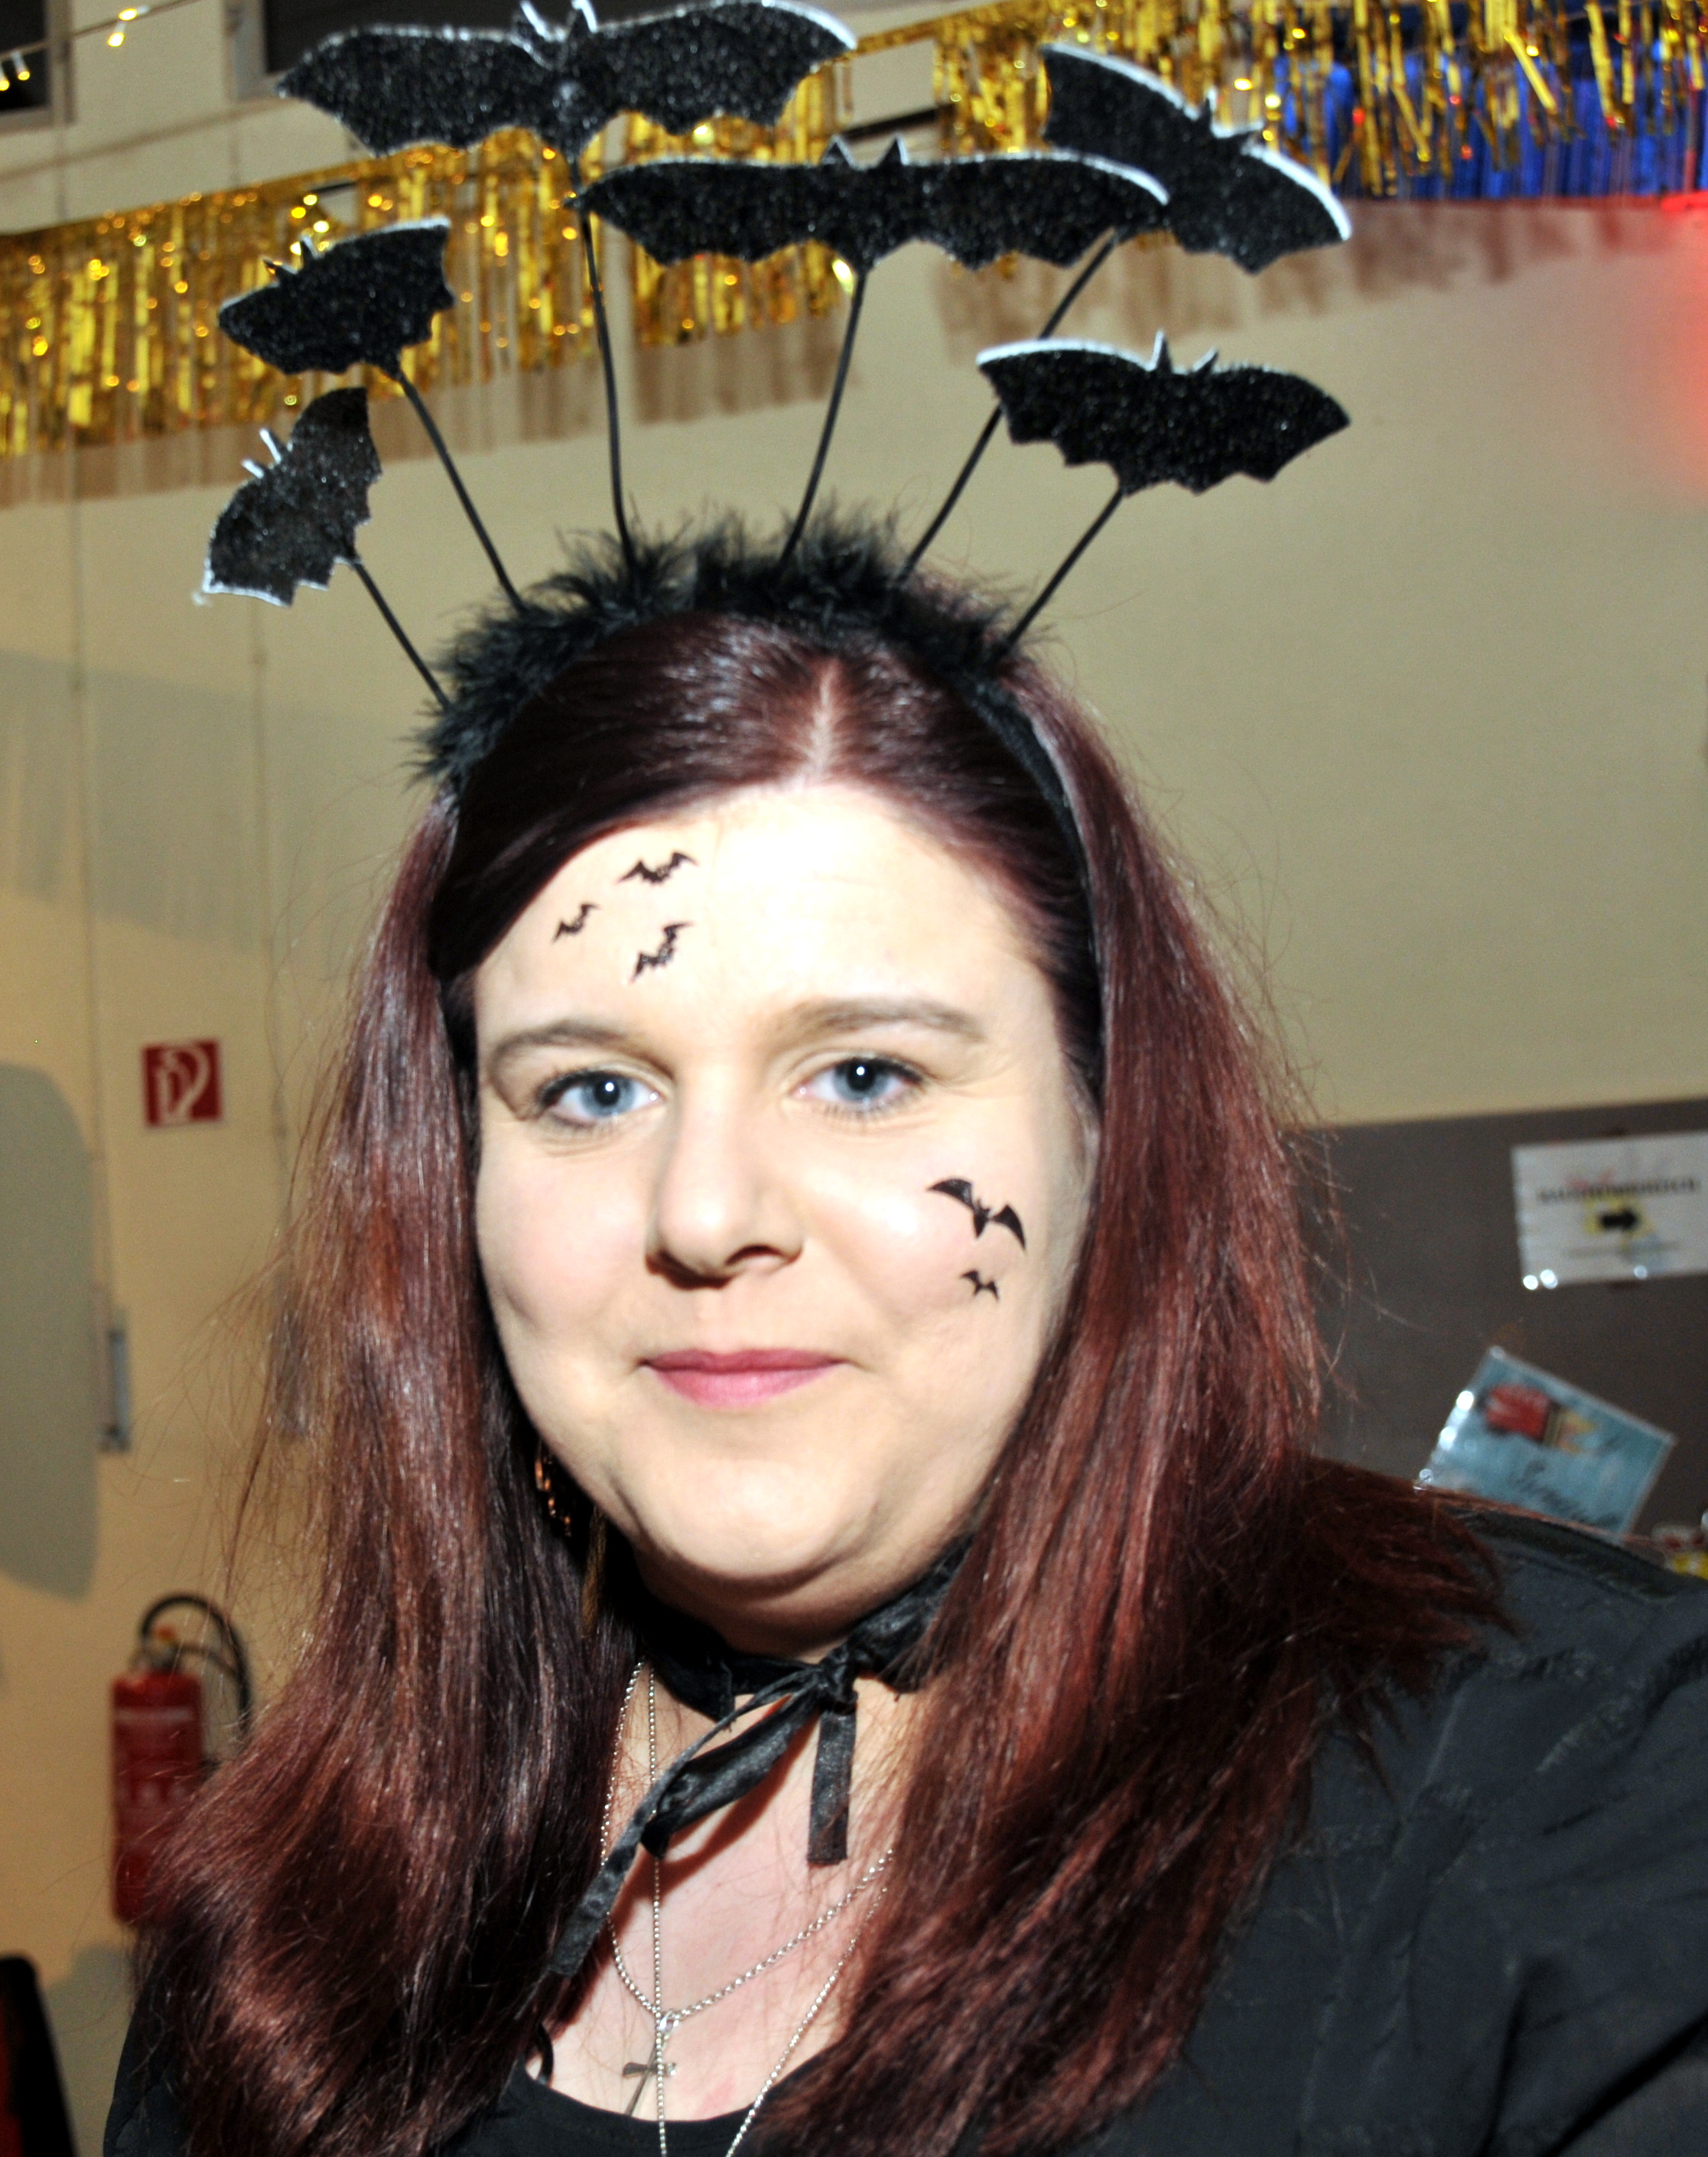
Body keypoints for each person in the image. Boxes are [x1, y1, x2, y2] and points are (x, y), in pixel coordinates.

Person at [106, 525, 1708, 2157]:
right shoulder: (289, 1928)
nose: (707, 1212)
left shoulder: (1575, 1796)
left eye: (864, 1075)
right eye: (589, 1089)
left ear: (1106, 1130)